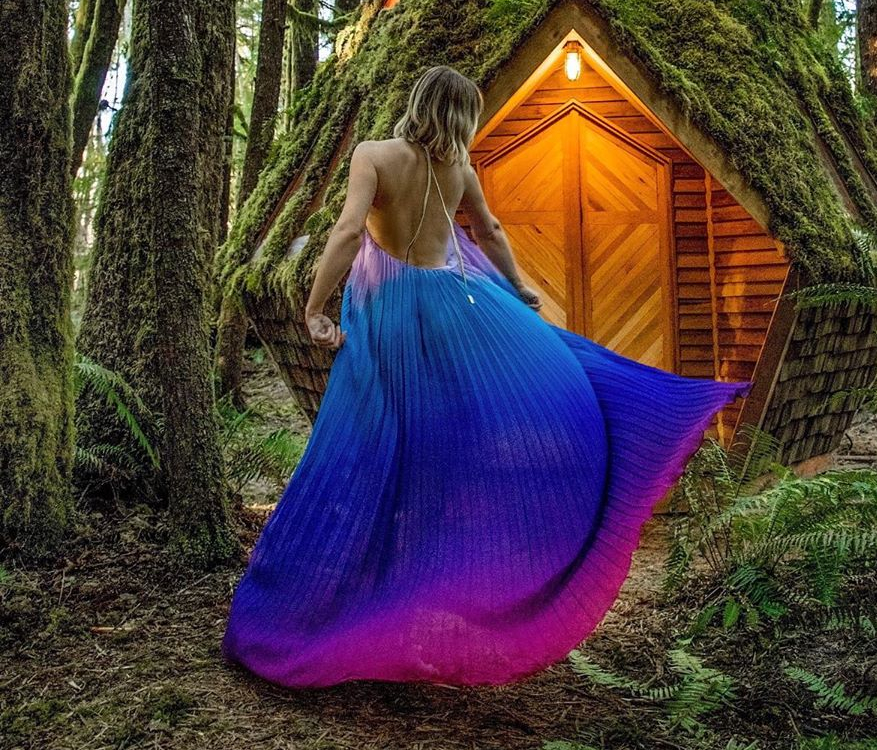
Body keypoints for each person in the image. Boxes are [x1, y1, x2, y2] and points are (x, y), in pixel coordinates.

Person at [221, 66, 751, 688]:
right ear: (463, 115)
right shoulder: (459, 170)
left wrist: (313, 306)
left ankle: (348, 590)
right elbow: (490, 231)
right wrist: (520, 286)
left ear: (414, 102)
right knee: (453, 440)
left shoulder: (373, 155)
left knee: (373, 444)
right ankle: (430, 584)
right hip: (451, 308)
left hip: (390, 316)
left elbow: (346, 231)